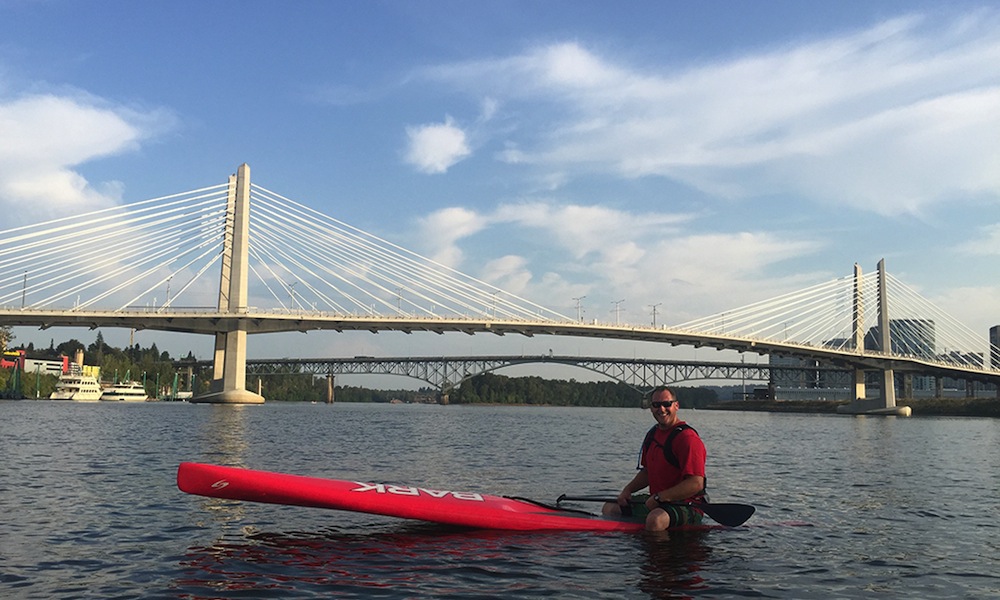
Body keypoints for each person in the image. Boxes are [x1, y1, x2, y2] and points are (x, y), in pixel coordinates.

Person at [603, 386, 707, 531]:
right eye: (656, 405)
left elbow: (696, 483)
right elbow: (647, 472)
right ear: (651, 408)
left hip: (686, 504)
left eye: (667, 404)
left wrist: (660, 497)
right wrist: (628, 490)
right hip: (657, 501)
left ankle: (659, 552)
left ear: (676, 405)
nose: (661, 409)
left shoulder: (687, 438)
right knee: (609, 508)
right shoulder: (652, 435)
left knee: (655, 520)